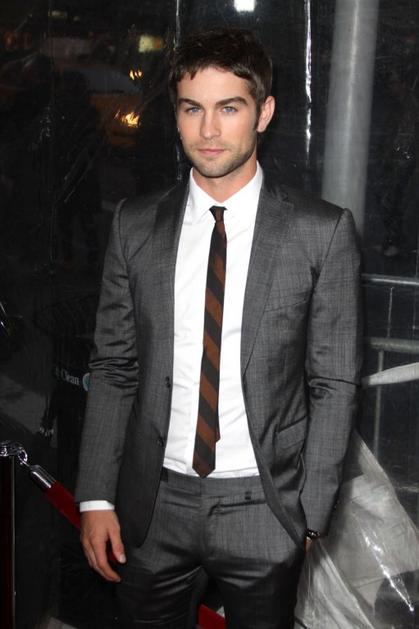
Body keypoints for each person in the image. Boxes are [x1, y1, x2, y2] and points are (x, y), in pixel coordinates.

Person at [75, 27, 362, 628]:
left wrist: (310, 513)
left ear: (264, 113)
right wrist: (96, 494)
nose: (208, 130)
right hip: (151, 503)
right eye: (192, 109)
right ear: (176, 116)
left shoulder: (321, 231)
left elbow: (333, 381)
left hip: (265, 504)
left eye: (228, 108)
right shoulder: (135, 225)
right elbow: (114, 366)